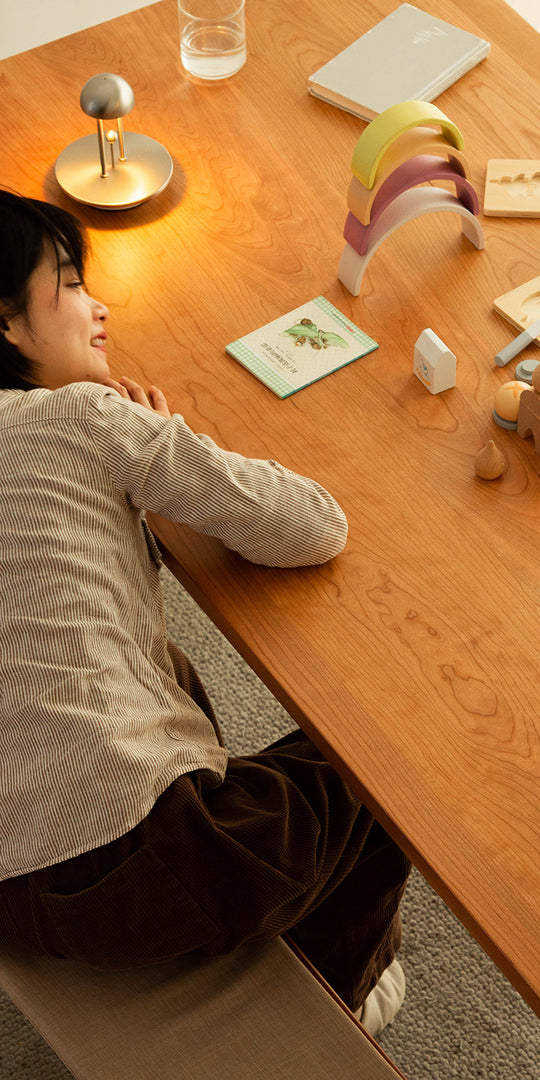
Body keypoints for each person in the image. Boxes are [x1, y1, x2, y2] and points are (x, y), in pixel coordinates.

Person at [0, 190, 410, 1032]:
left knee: (145, 663)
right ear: (5, 322)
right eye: (71, 285)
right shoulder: (85, 417)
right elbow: (314, 527)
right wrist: (165, 443)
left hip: (10, 893)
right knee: (387, 765)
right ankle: (348, 992)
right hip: (141, 866)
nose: (98, 305)